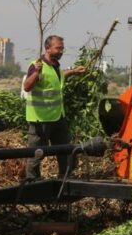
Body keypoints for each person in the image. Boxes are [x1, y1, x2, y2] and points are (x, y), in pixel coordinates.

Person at [23, 35, 86, 180]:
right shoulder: (37, 65)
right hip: (40, 120)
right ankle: (32, 182)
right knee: (36, 154)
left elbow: (59, 76)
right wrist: (36, 73)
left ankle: (64, 179)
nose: (61, 51)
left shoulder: (55, 66)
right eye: (58, 48)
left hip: (58, 118)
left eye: (62, 48)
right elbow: (27, 86)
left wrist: (74, 71)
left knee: (64, 151)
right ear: (47, 48)